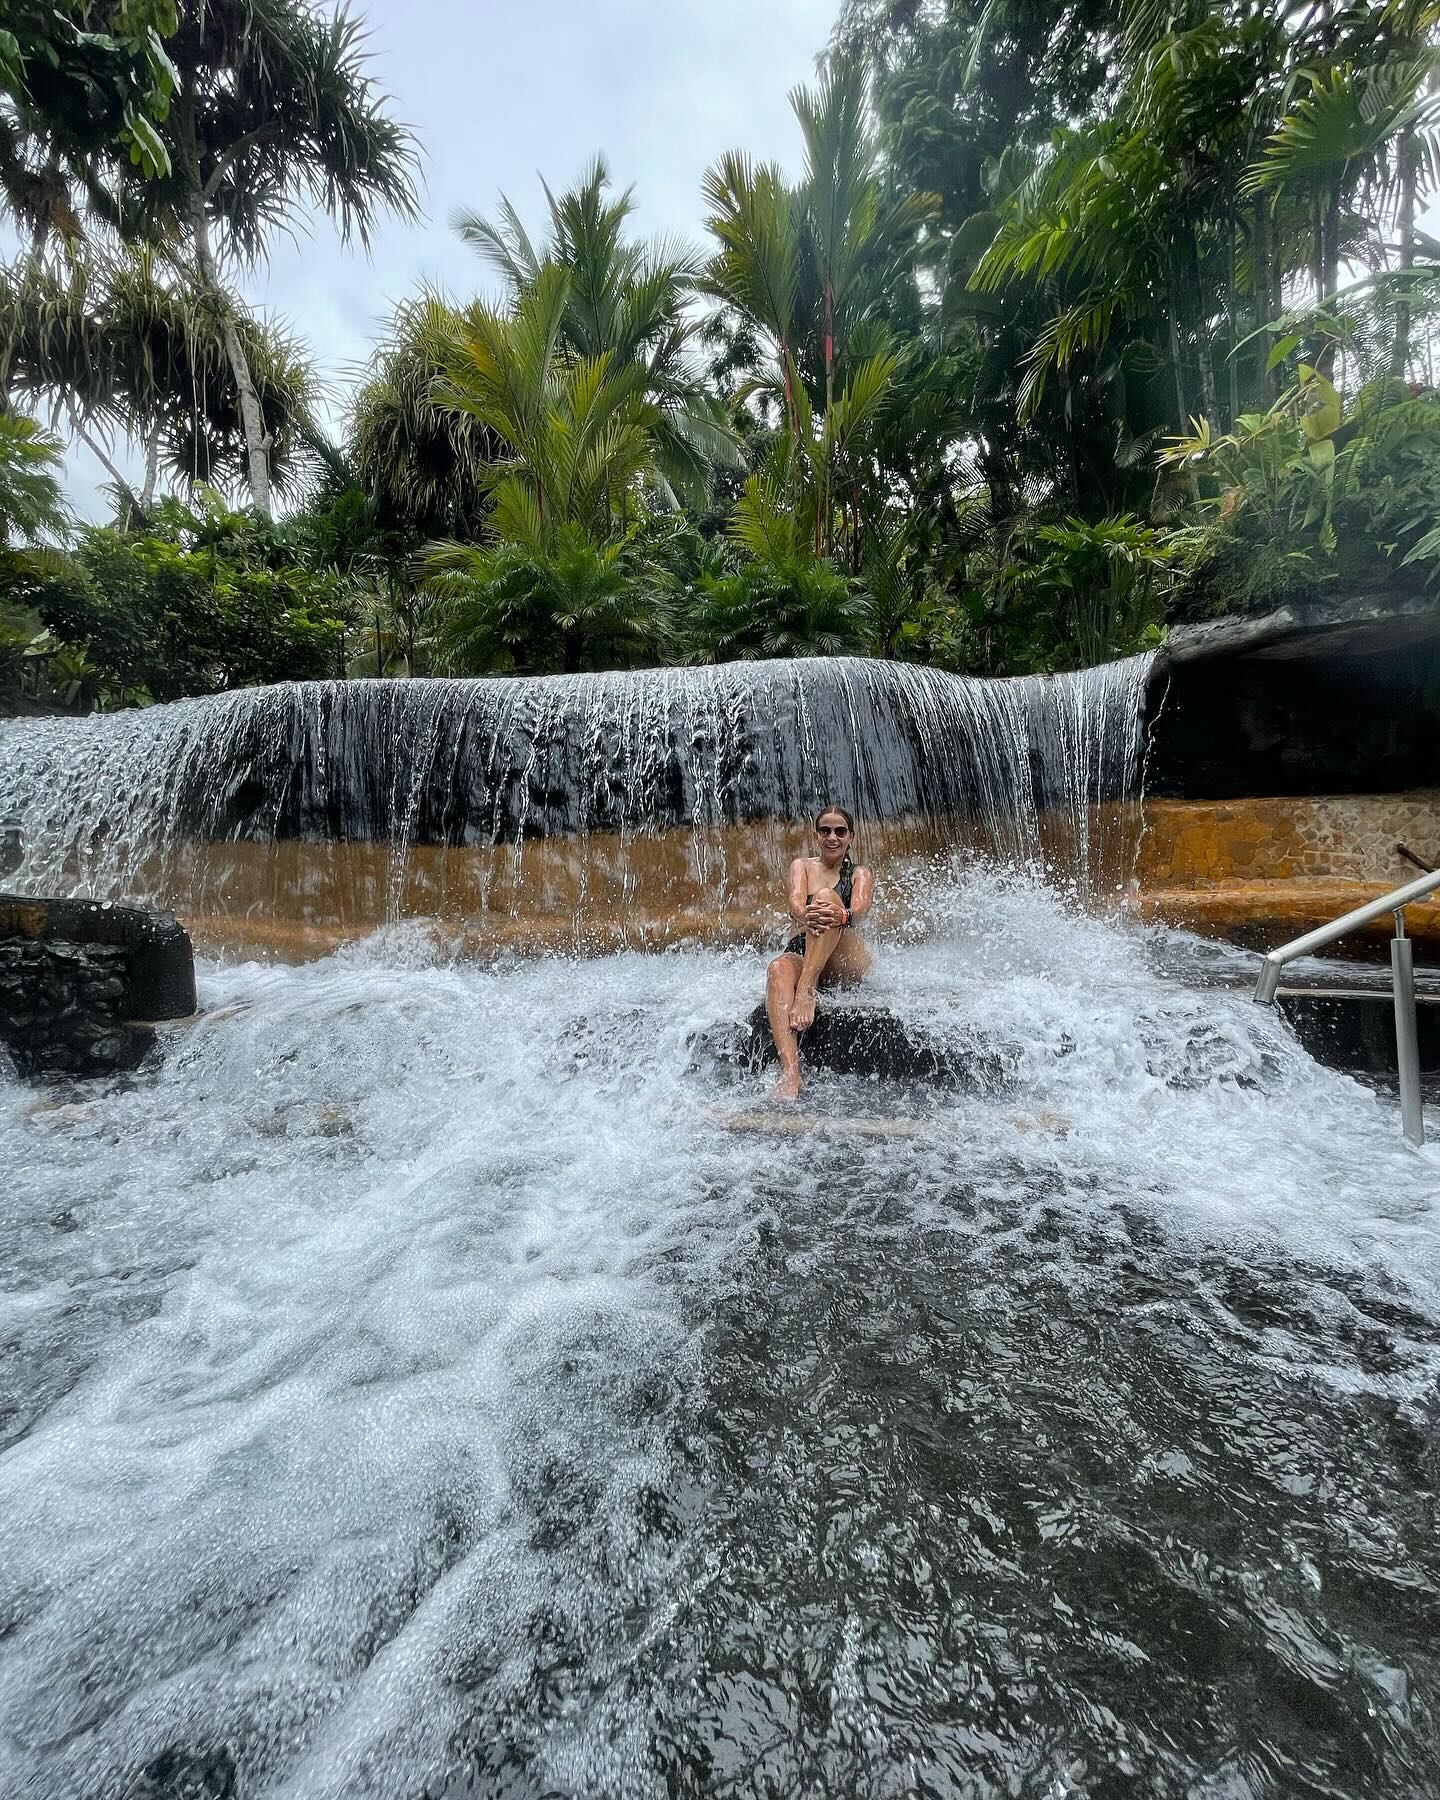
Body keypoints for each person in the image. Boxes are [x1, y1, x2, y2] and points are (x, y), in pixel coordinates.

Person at [765, 805, 874, 1100]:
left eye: (840, 831)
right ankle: (790, 1074)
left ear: (850, 837)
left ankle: (806, 989)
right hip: (803, 946)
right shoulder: (801, 866)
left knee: (827, 897)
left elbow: (860, 910)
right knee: (776, 968)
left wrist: (839, 915)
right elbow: (796, 900)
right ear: (816, 835)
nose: (832, 837)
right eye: (825, 831)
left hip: (842, 952)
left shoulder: (859, 873)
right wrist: (805, 913)